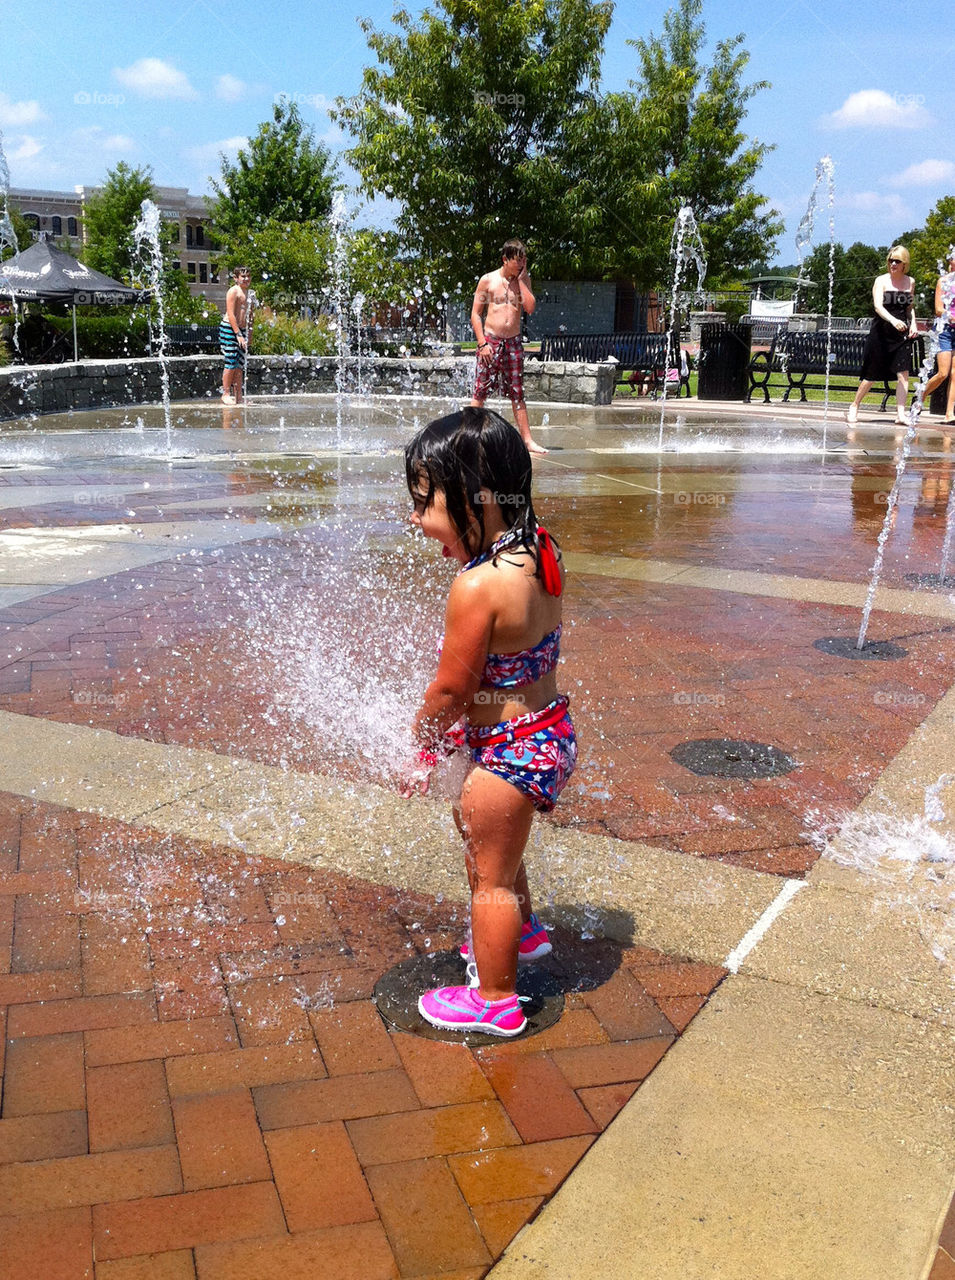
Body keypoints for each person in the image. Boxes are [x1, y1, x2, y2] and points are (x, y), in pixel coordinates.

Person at [403, 407, 577, 1036]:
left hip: (510, 753)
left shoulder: (476, 586)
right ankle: (524, 933)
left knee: (488, 877)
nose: (417, 521)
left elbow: (451, 690)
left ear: (478, 497)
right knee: (497, 848)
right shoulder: (539, 548)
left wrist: (423, 742)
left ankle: (497, 1000)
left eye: (427, 504)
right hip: (545, 733)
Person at [470, 239, 547, 455]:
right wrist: (482, 343)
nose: (521, 265)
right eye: (517, 261)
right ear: (505, 259)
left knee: (517, 392)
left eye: (524, 261)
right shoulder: (488, 280)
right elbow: (475, 314)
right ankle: (467, 436)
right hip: (490, 342)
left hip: (513, 342)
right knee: (480, 391)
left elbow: (530, 308)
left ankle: (528, 441)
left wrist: (522, 281)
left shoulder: (523, 280)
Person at [846, 246, 917, 426]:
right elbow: (878, 306)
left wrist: (913, 324)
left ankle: (901, 414)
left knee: (903, 374)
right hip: (882, 333)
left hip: (901, 335)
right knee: (871, 375)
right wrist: (893, 321)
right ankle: (854, 405)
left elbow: (909, 308)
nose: (893, 264)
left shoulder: (910, 282)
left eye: (897, 261)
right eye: (891, 260)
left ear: (904, 264)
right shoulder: (881, 280)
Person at [922, 248, 955, 425]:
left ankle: (949, 413)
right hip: (945, 331)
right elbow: (938, 309)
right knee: (943, 373)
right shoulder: (943, 281)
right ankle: (921, 396)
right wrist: (951, 317)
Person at [219, 266, 252, 405]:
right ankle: (226, 393)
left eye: (248, 276)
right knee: (231, 361)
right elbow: (231, 313)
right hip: (230, 328)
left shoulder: (250, 294)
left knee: (239, 364)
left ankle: (239, 397)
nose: (246, 279)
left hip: (242, 330)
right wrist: (238, 334)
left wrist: (250, 333)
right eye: (243, 276)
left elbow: (251, 315)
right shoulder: (234, 291)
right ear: (236, 278)